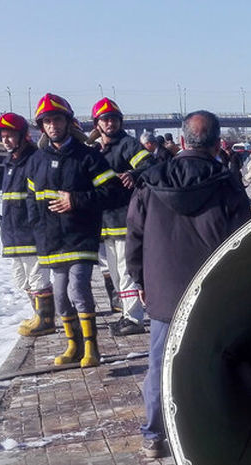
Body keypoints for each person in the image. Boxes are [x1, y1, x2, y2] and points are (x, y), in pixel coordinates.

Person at [126, 110, 250, 458]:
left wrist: (140, 279)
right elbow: (244, 239)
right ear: (216, 144)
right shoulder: (226, 184)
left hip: (163, 294)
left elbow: (133, 237)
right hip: (211, 294)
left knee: (159, 365)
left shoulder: (150, 182)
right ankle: (206, 432)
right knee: (213, 363)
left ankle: (153, 435)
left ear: (182, 141)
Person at [26, 93, 121, 368]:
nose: (52, 125)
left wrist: (76, 200)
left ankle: (92, 347)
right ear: (41, 127)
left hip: (80, 235)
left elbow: (112, 192)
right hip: (51, 240)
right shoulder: (37, 160)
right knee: (60, 297)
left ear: (68, 122)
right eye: (47, 121)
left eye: (57, 119)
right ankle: (73, 345)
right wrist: (37, 229)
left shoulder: (88, 157)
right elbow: (31, 199)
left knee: (77, 290)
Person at [88, 97, 153, 337]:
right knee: (115, 274)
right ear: (97, 123)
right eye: (105, 119)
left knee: (126, 271)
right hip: (105, 223)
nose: (110, 123)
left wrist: (134, 174)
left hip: (126, 220)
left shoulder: (128, 144)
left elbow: (151, 165)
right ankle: (127, 314)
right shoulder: (96, 150)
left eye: (114, 119)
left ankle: (135, 318)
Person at [0, 112, 55, 336]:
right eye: (3, 136)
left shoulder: (34, 160)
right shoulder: (10, 163)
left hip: (31, 233)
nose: (6, 140)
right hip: (12, 233)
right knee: (22, 280)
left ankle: (46, 320)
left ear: (23, 135)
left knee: (38, 278)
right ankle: (37, 315)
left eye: (10, 135)